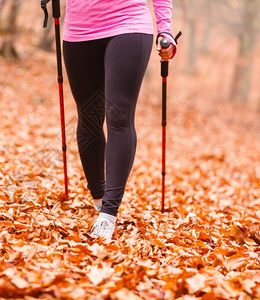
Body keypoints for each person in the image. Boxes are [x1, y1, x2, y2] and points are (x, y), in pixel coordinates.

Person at [62, 0, 177, 238]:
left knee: (118, 115)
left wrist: (165, 29)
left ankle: (108, 214)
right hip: (79, 31)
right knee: (89, 117)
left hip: (128, 24)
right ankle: (98, 198)